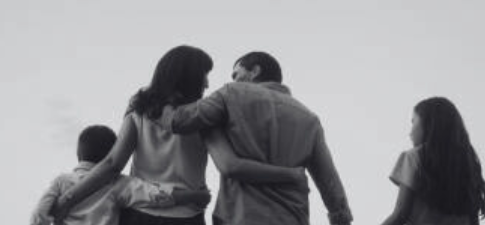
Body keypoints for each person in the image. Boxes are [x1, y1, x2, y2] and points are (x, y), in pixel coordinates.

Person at [52, 46, 304, 225]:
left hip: (139, 214)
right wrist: (290, 174)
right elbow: (229, 165)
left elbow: (111, 164)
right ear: (190, 76)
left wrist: (66, 200)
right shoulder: (205, 117)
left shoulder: (139, 109)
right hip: (187, 217)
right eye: (204, 74)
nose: (207, 83)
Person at [162, 51, 354, 225]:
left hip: (240, 217)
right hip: (293, 217)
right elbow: (329, 181)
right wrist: (340, 216)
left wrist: (159, 100)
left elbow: (178, 121)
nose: (234, 80)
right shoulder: (309, 119)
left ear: (254, 71)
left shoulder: (231, 93)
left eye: (236, 74)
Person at [29, 124, 211, 225]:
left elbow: (38, 214)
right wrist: (195, 196)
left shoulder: (61, 181)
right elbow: (154, 195)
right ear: (114, 154)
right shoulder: (116, 183)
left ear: (79, 154)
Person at [379, 97, 485, 225]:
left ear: (429, 125)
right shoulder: (468, 164)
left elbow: (400, 214)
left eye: (414, 122)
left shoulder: (414, 158)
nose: (410, 132)